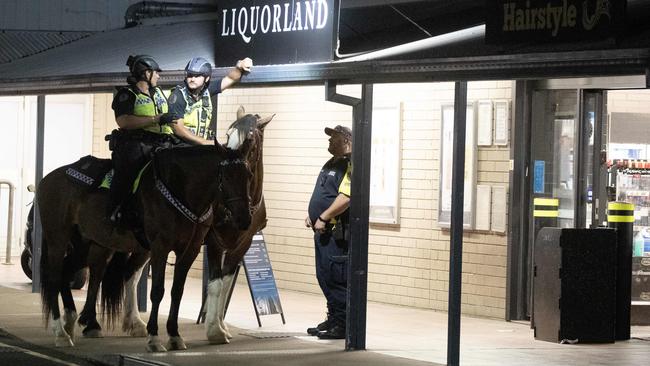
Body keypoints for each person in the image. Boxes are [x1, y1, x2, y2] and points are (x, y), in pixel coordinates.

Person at [108, 54, 177, 225]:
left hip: (164, 142)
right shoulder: (127, 94)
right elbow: (123, 121)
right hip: (138, 145)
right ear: (146, 74)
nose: (159, 76)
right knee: (128, 173)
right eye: (156, 73)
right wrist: (155, 119)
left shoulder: (159, 92)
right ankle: (117, 211)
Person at [304, 125, 352, 340]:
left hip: (336, 232)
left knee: (336, 277)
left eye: (334, 138)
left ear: (347, 141)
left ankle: (342, 324)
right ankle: (334, 318)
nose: (330, 141)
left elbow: (346, 198)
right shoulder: (330, 163)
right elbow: (325, 193)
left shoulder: (351, 164)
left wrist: (323, 217)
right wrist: (313, 215)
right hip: (322, 230)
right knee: (324, 276)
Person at [167, 57, 253, 145]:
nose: (192, 79)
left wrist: (239, 67)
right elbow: (178, 129)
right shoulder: (178, 95)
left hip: (199, 146)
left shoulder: (206, 90)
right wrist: (204, 142)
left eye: (197, 76)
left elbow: (231, 79)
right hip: (179, 146)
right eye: (190, 75)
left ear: (207, 78)